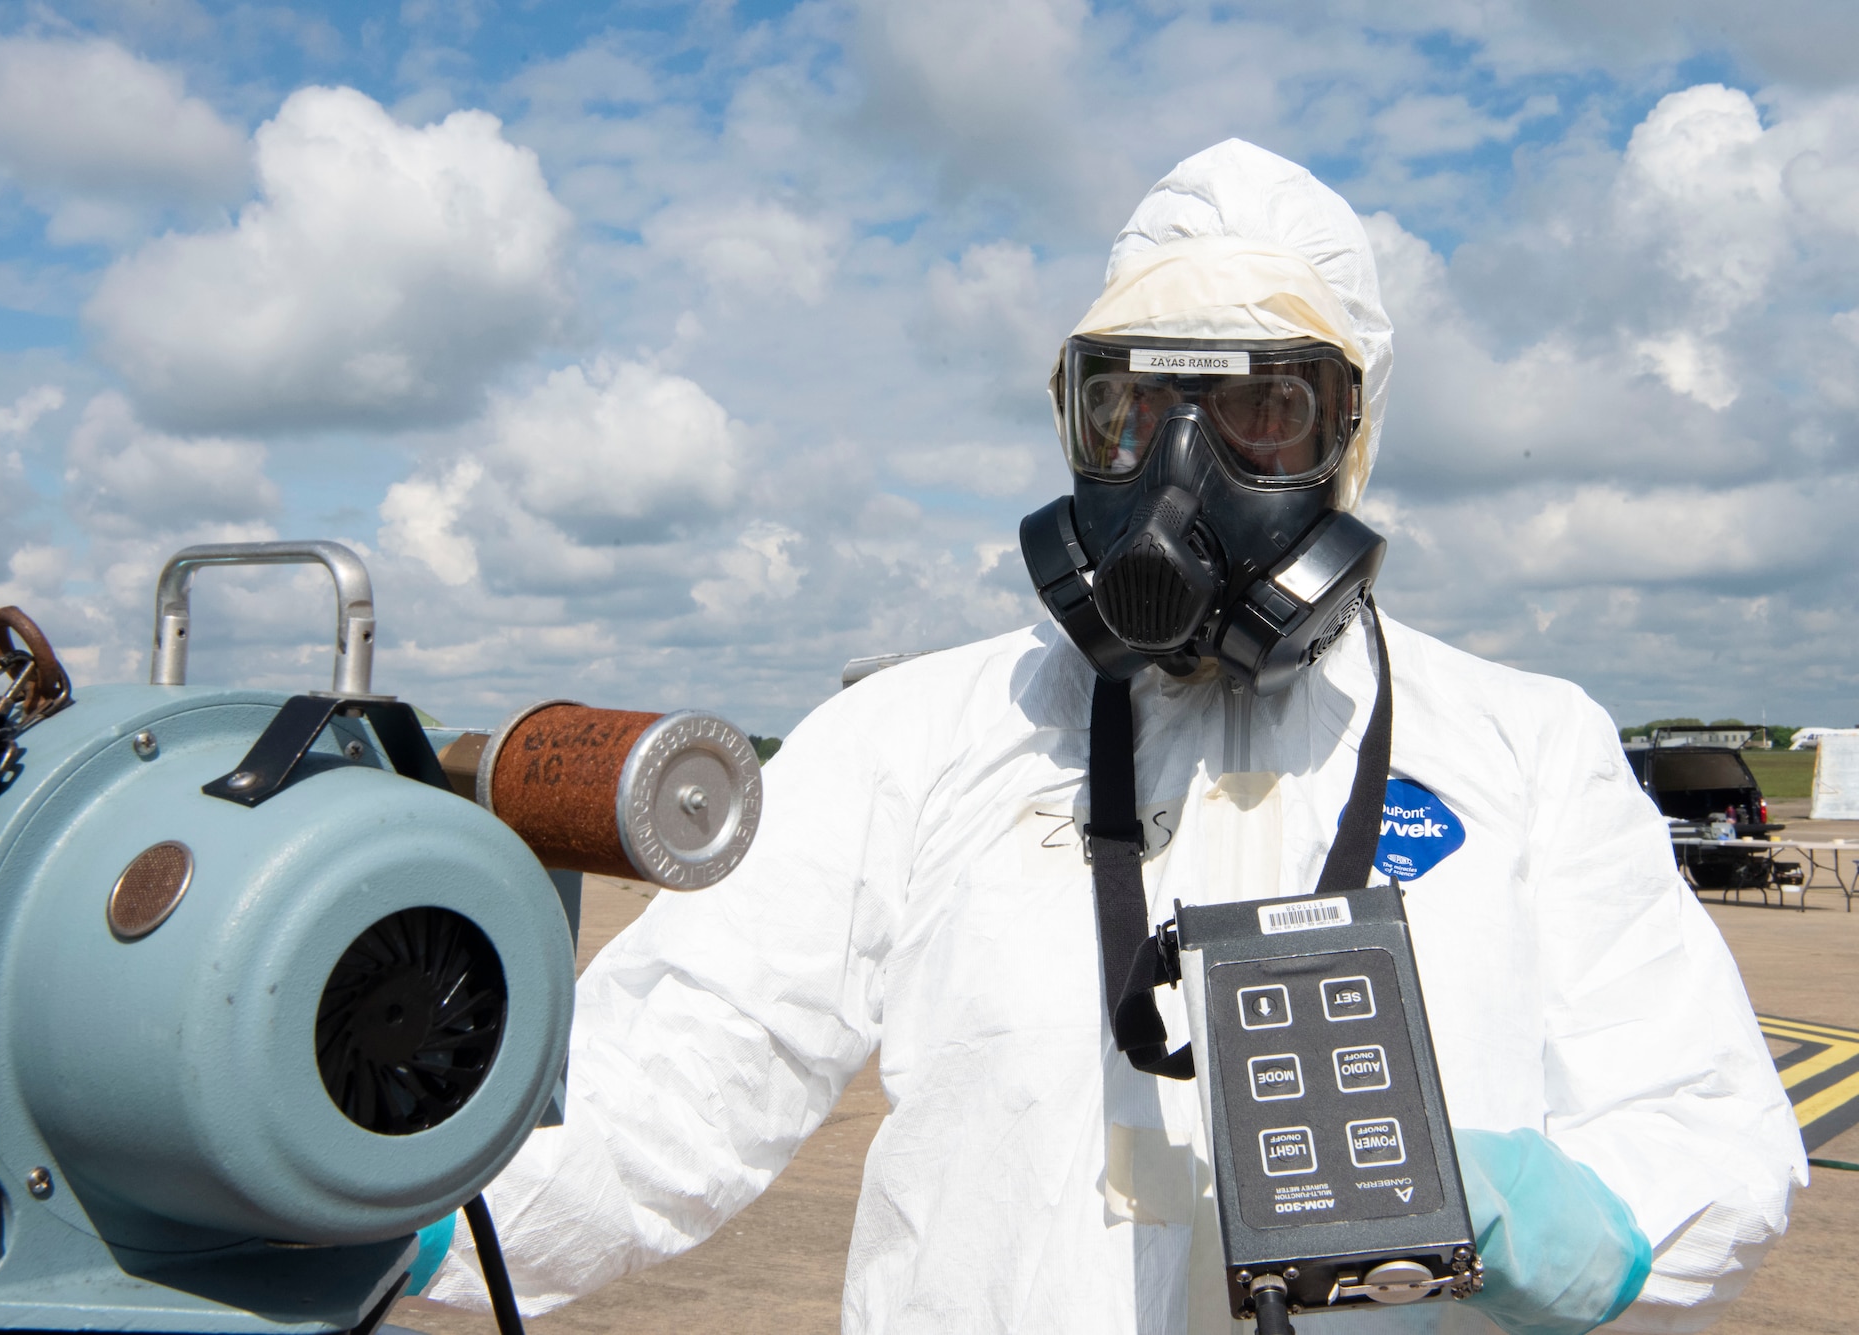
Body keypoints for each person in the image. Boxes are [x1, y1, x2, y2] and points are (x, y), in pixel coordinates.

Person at [428, 140, 1803, 1334]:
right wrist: (372, 1199)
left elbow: (1712, 1130)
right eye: (1133, 410)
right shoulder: (908, 739)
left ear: (1350, 433)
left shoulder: (1531, 752)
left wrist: (1559, 1223)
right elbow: (672, 1070)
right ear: (1077, 415)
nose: (1177, 474)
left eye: (1262, 410)